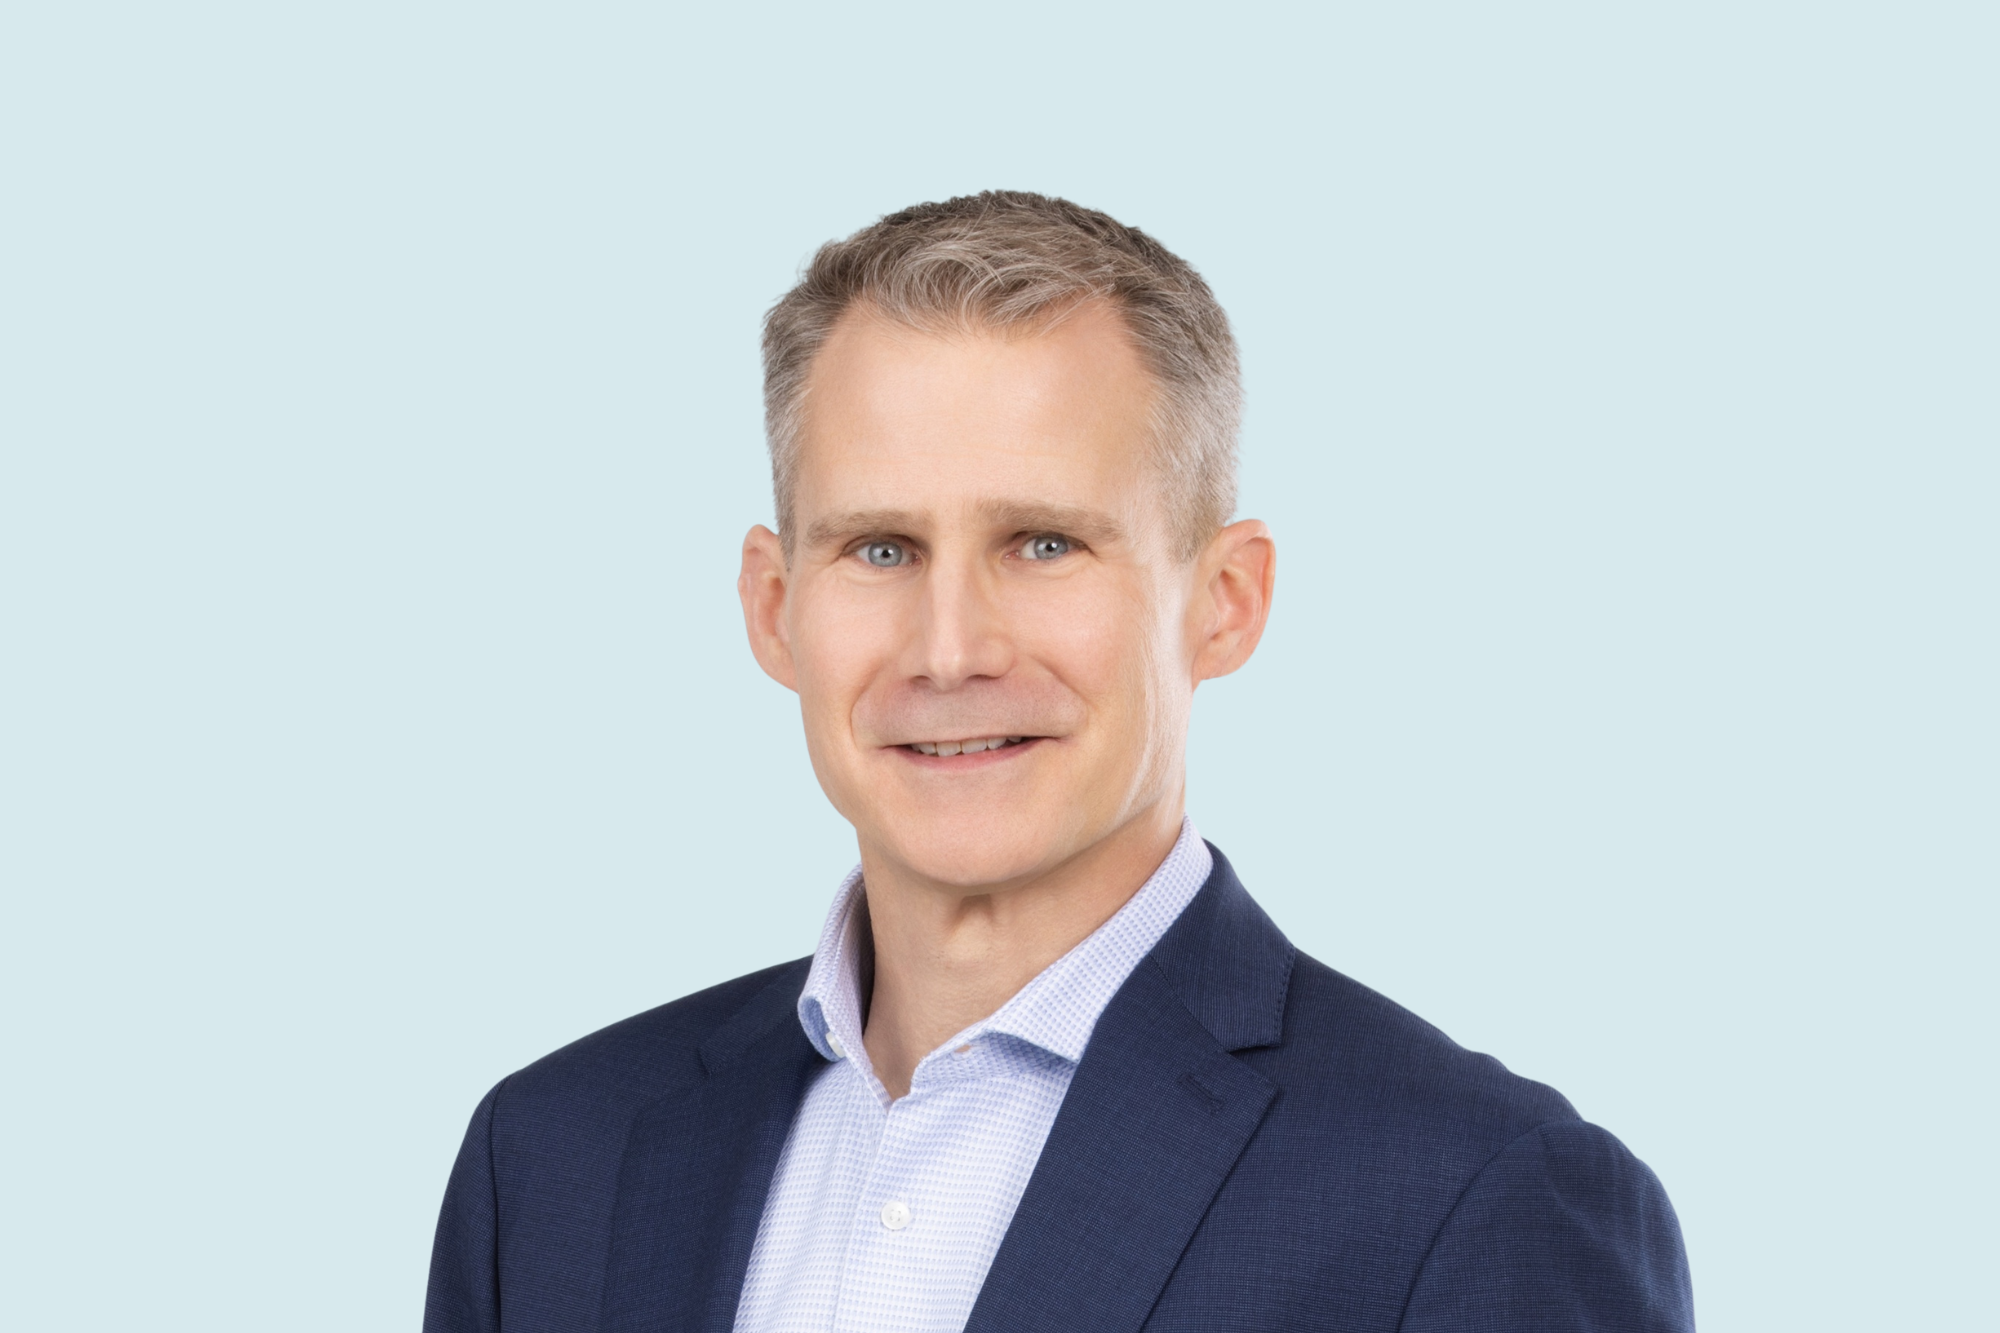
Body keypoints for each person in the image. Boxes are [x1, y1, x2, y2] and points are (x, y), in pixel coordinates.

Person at [423, 191, 1694, 1333]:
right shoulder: (548, 1161)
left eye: (1041, 544)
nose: (949, 648)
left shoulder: (1473, 1199)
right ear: (773, 607)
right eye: (879, 549)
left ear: (1225, 600)